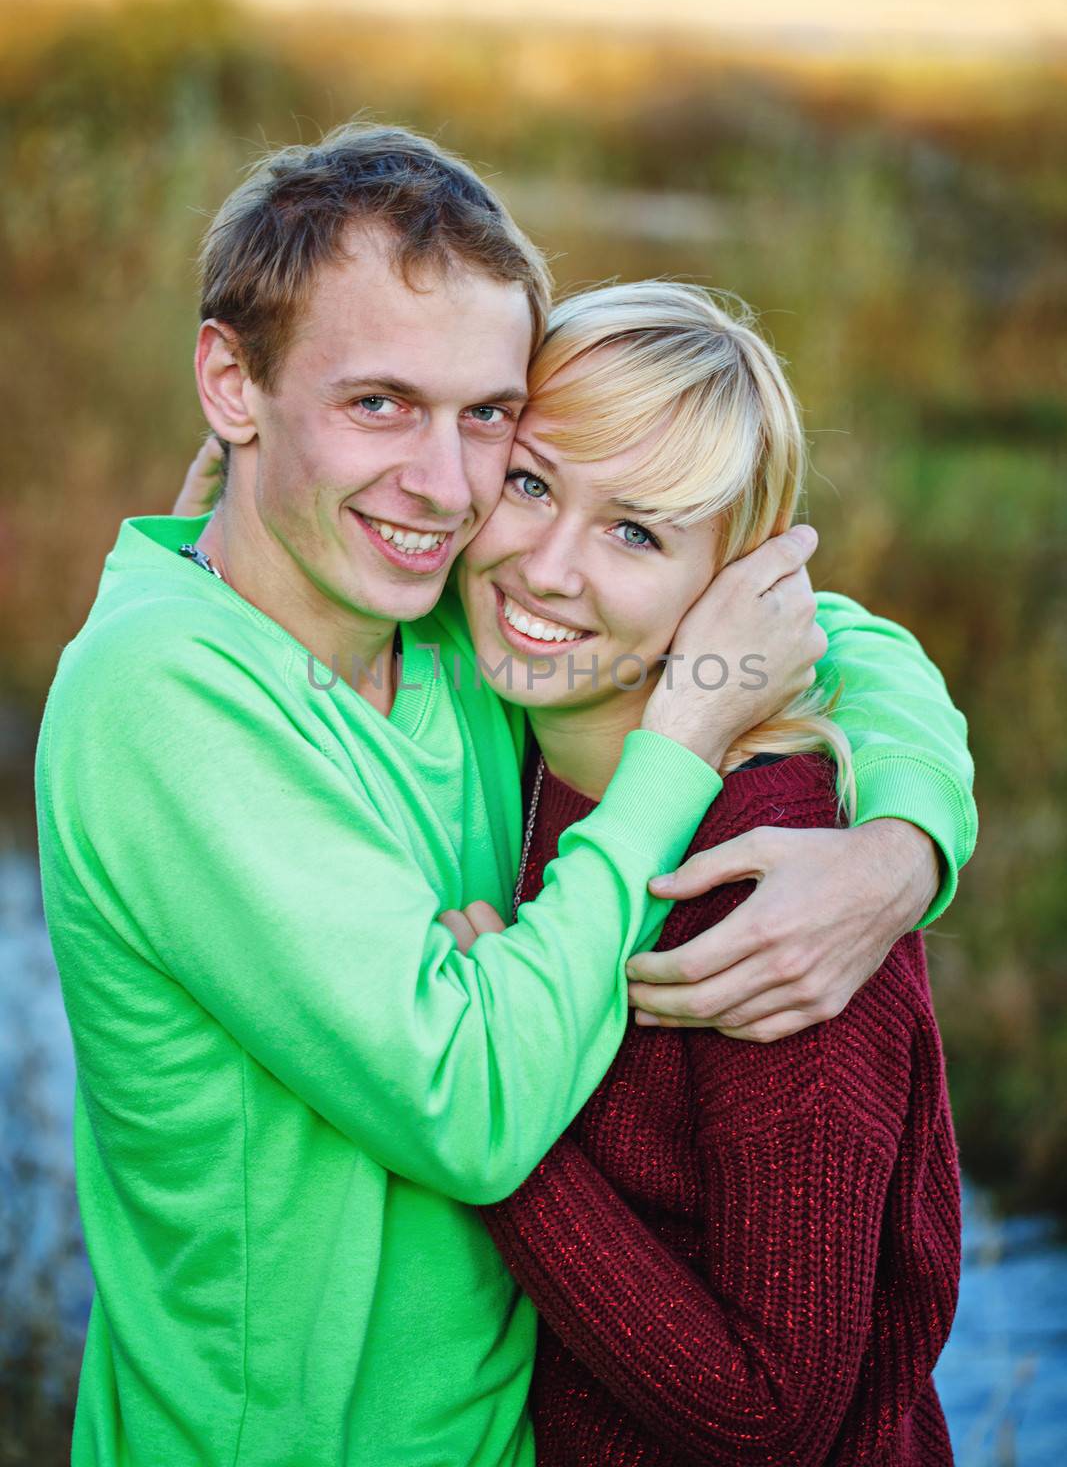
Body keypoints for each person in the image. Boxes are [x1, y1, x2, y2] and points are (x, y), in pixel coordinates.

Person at [37, 121, 974, 1467]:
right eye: (377, 404)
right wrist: (685, 737)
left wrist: (897, 846)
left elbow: (823, 628)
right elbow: (473, 1112)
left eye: (485, 419)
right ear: (230, 385)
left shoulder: (451, 627)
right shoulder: (165, 699)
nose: (444, 486)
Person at [441, 281, 959, 1463]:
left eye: (635, 531)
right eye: (528, 482)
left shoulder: (772, 890)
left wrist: (481, 1110)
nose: (547, 568)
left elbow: (769, 1413)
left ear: (732, 588)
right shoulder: (500, 727)